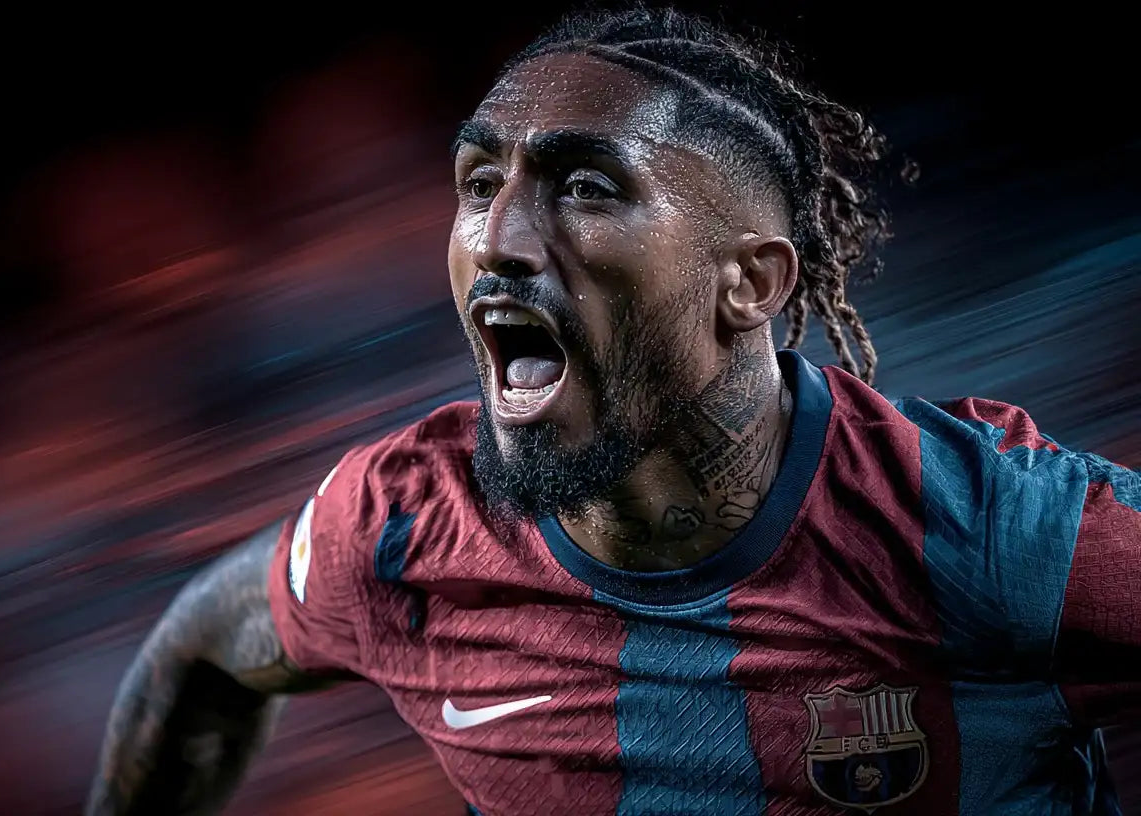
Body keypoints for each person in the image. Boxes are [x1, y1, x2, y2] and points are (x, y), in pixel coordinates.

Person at [84, 5, 1139, 814]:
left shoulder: (989, 525)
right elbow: (201, 651)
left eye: (585, 186)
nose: (497, 238)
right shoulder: (397, 528)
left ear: (751, 285)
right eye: (477, 181)